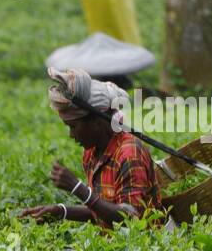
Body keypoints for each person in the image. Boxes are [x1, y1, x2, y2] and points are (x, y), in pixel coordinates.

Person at [22, 68, 165, 226]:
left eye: (73, 126)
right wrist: (60, 211)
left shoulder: (129, 154)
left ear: (97, 121)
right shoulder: (92, 153)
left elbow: (131, 219)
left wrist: (78, 189)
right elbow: (101, 210)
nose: (71, 134)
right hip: (111, 246)